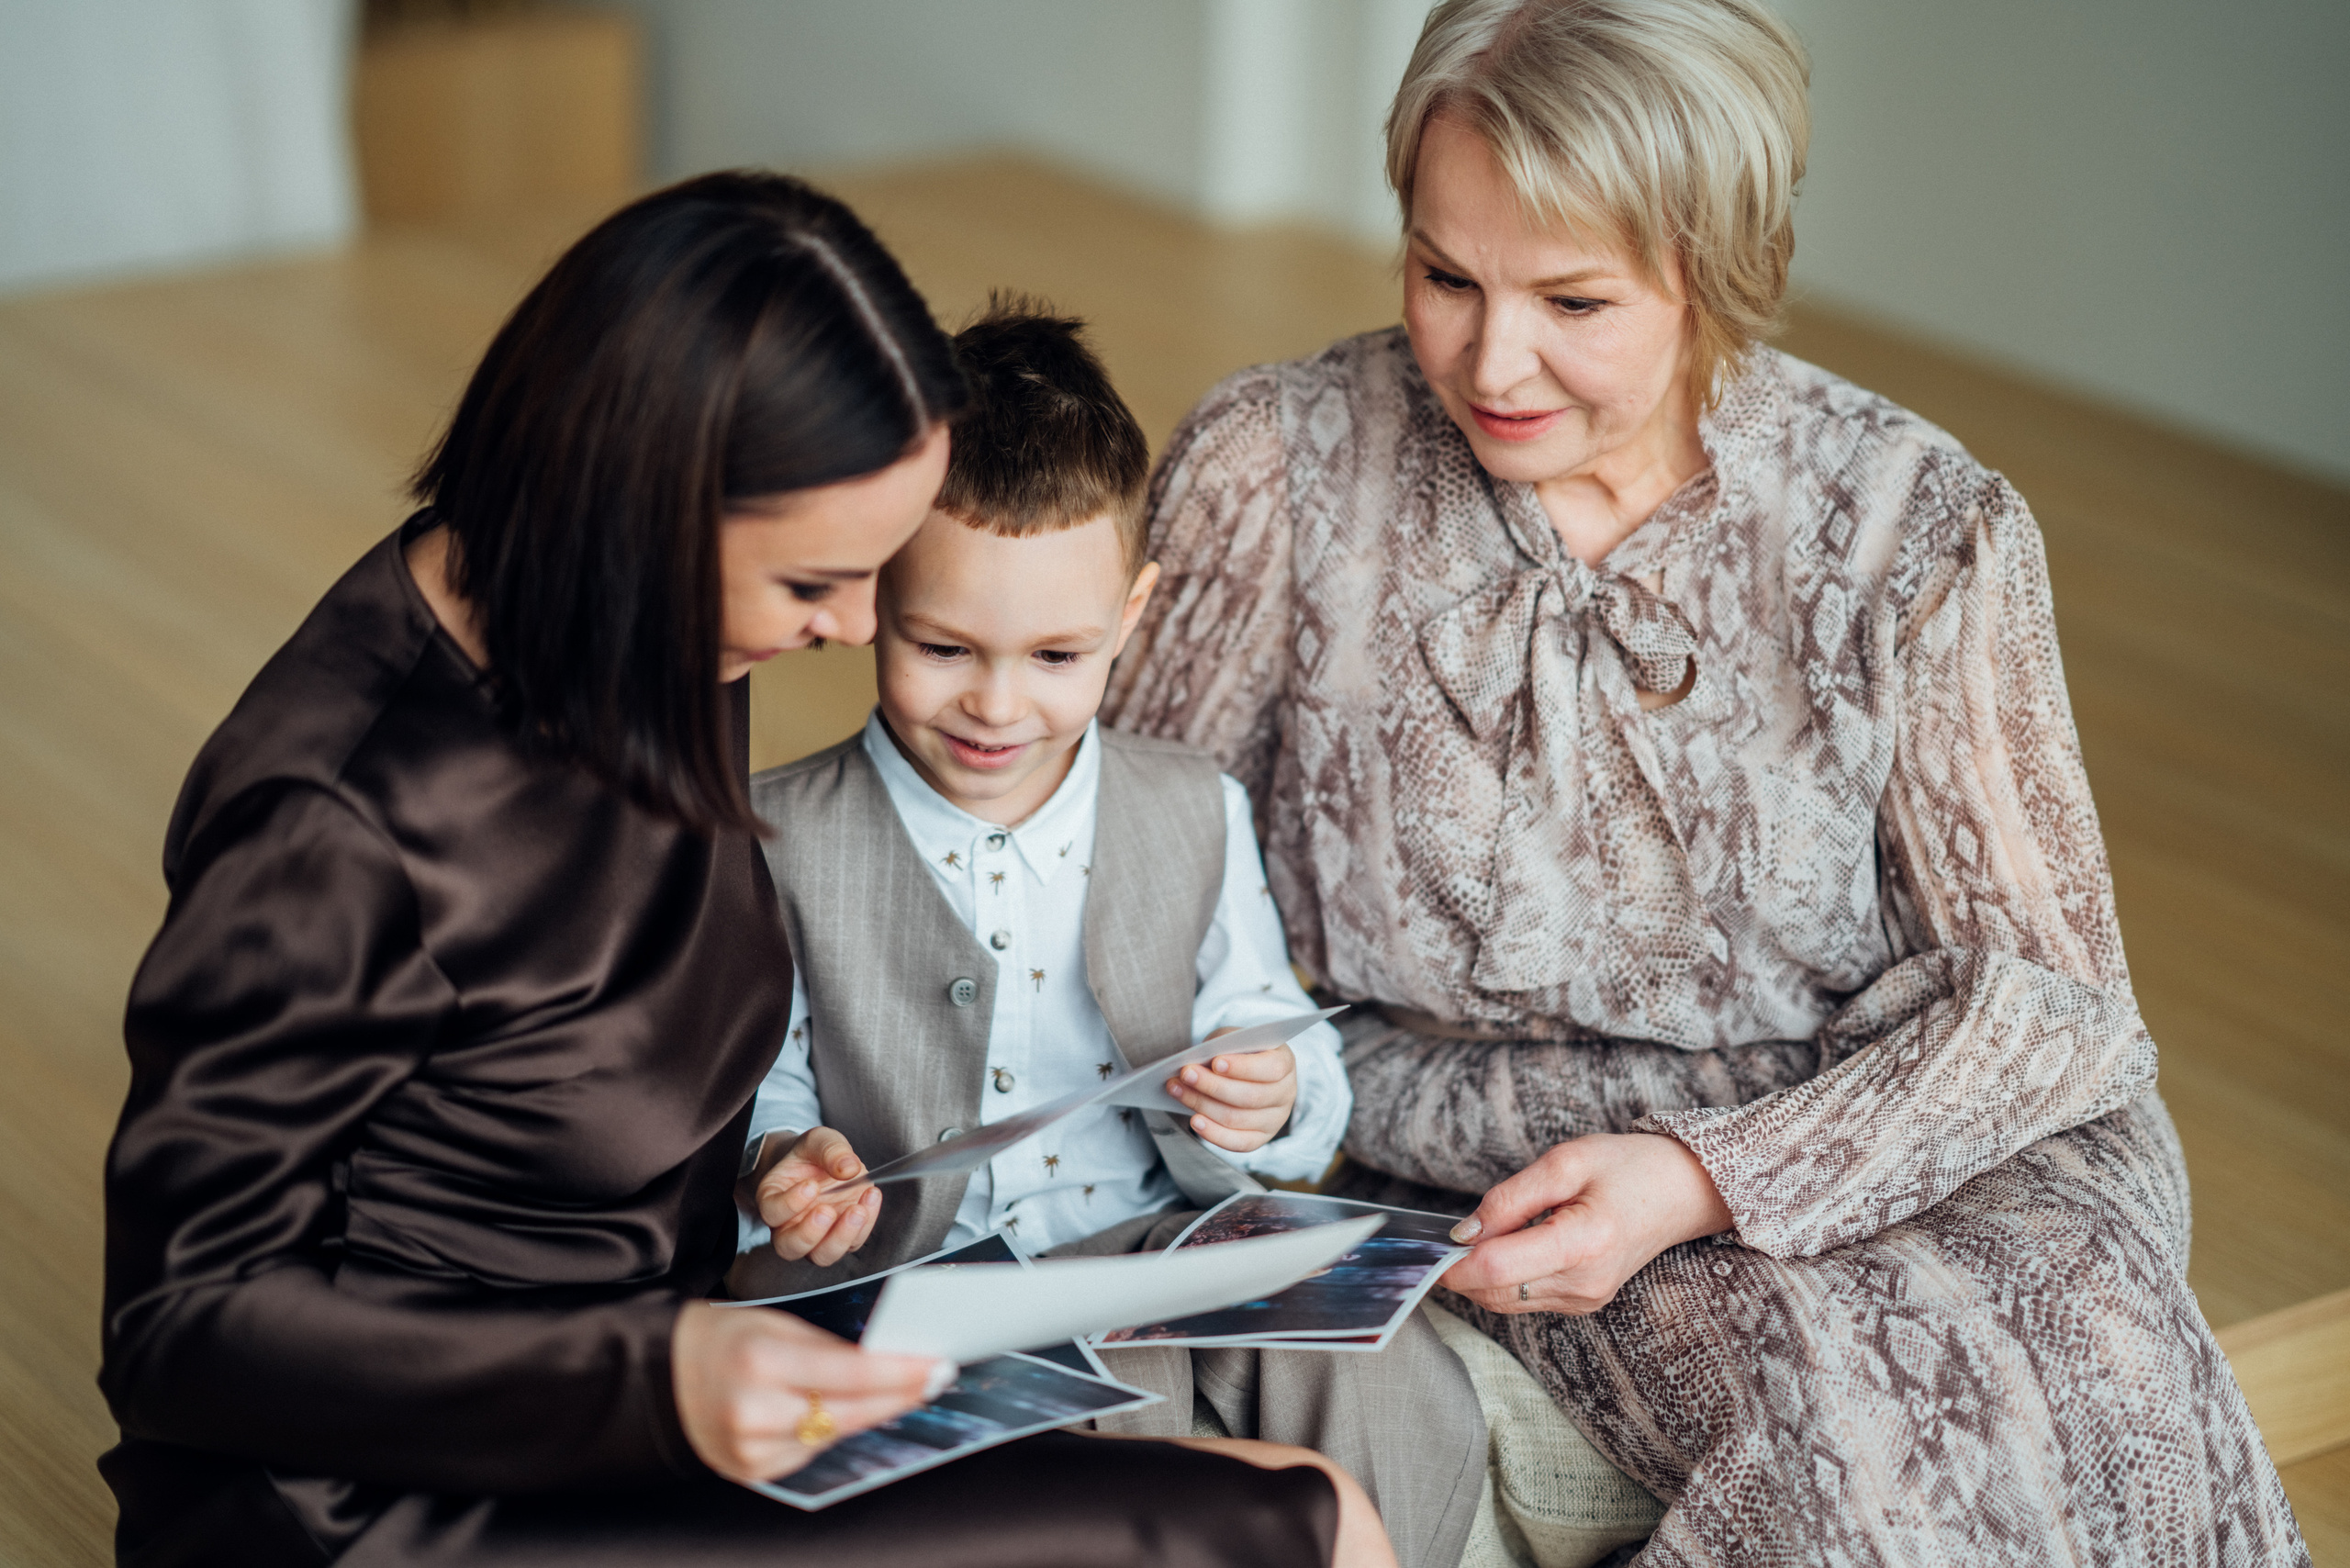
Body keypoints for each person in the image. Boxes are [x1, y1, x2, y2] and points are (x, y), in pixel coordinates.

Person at [1102, 1, 2311, 1562]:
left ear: (1715, 263)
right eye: (1443, 273)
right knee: (1864, 1412)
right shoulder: (1282, 468)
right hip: (1494, 1164)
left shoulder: (1915, 526)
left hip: (1908, 1126)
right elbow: (1109, 872)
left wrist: (1702, 1177)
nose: (1490, 356)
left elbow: (2053, 1006)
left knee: (2096, 1345)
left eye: (1575, 298)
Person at [99, 172, 1382, 1568]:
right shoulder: (336, 818)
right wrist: (657, 1382)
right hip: (403, 1503)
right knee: (1285, 1526)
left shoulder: (652, 625)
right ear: (644, 502)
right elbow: (179, 1330)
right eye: (819, 587)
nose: (848, 632)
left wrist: (782, 1168)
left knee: (1278, 1476)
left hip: (700, 1355)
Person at [736, 300, 1483, 1568]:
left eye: (1056, 654)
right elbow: (765, 1074)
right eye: (942, 646)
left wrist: (1269, 1087)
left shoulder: (1191, 806)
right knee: (1102, 1441)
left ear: (1131, 617)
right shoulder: (777, 836)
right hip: (931, 1281)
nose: (997, 703)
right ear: (873, 602)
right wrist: (782, 1165)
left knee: (1383, 1371)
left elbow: (1285, 1048)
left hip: (1163, 1238)